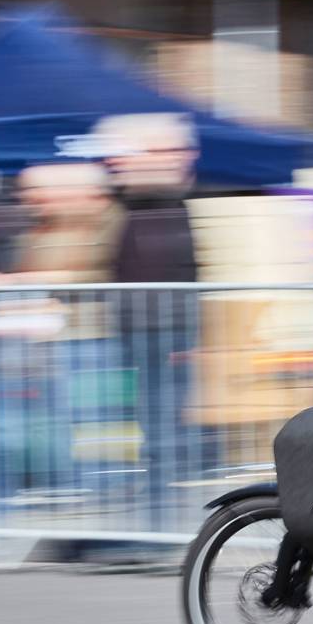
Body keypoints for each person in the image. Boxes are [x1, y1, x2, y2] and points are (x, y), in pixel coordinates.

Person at [88, 113, 199, 530]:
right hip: (138, 333)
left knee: (162, 432)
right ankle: (153, 520)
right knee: (151, 430)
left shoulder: (169, 208)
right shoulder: (127, 208)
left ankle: (160, 522)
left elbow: (187, 270)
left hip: (164, 334)